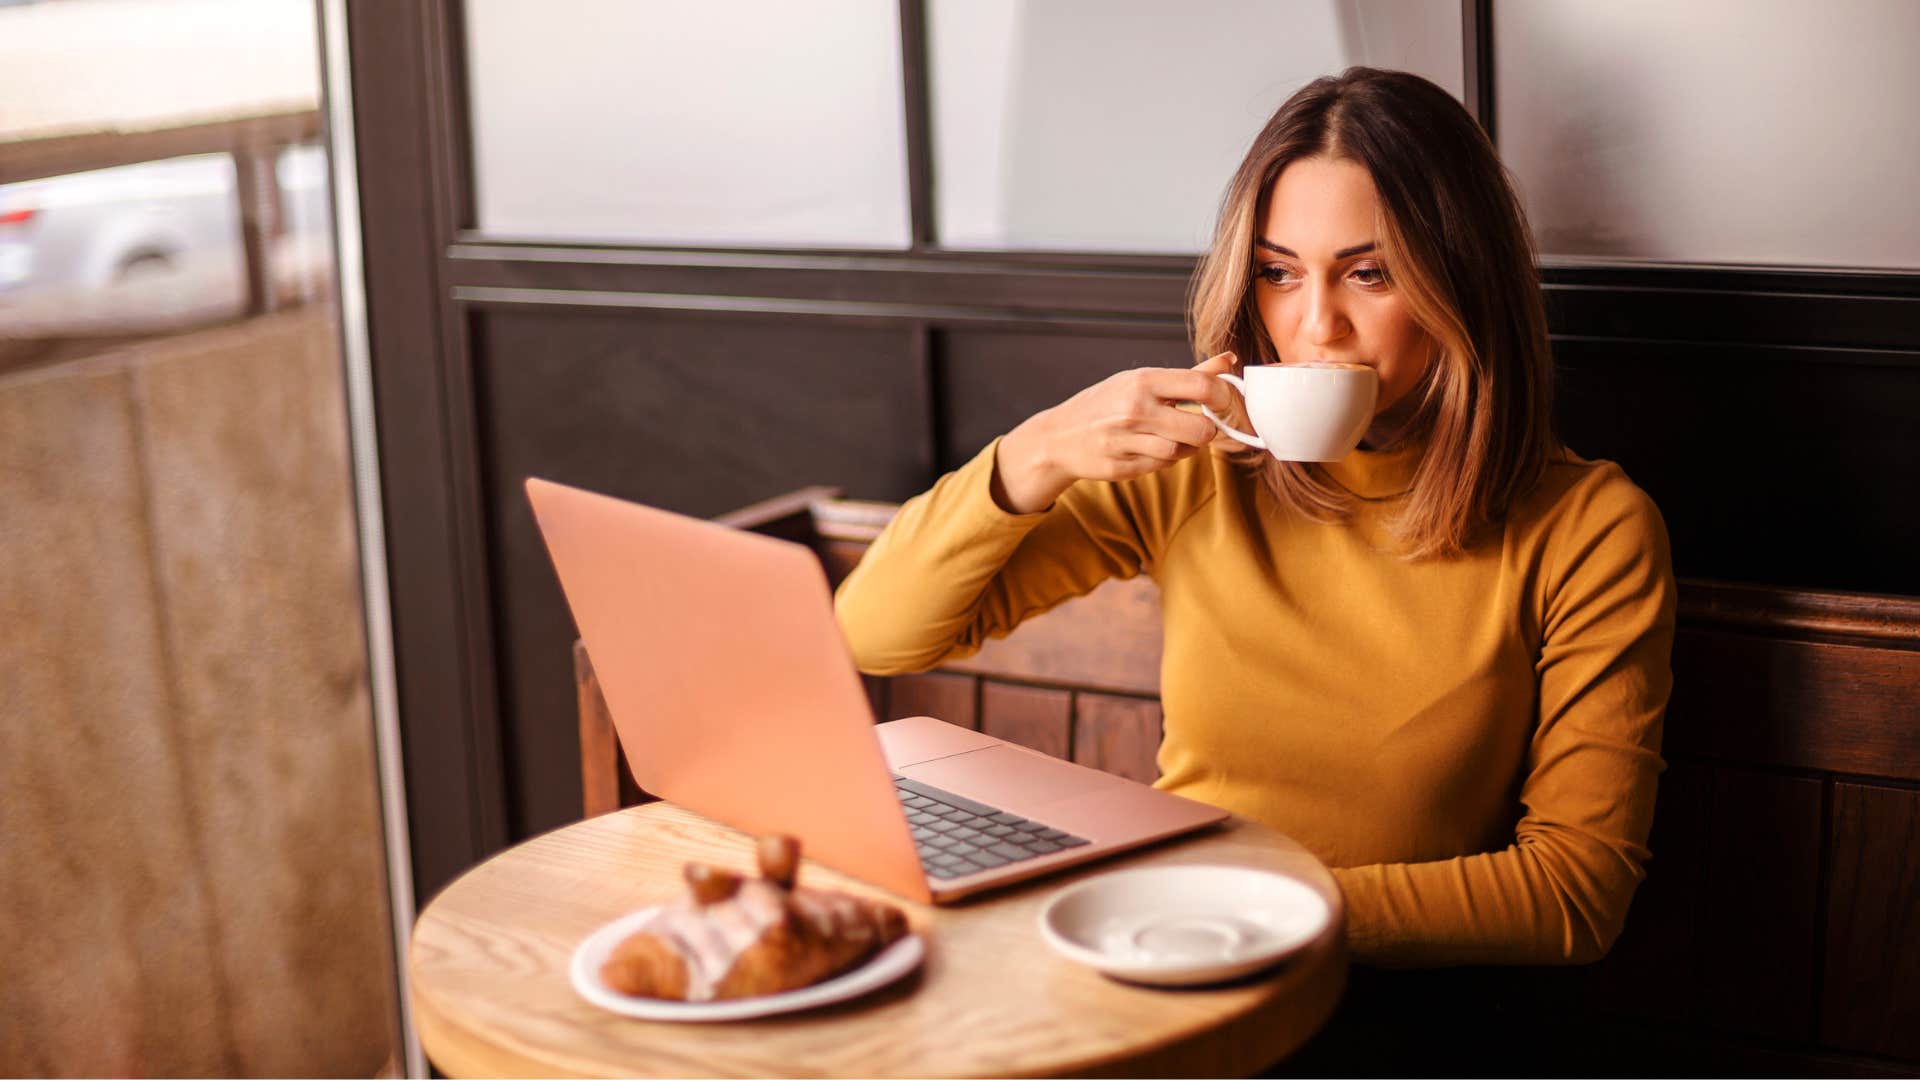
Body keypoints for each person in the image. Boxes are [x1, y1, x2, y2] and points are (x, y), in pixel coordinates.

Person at [834, 67, 1675, 969]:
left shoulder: (1589, 527)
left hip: (1365, 996)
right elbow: (875, 635)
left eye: (1371, 272)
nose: (1317, 325)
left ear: (1461, 284)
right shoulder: (1202, 471)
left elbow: (1575, 894)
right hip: (1165, 955)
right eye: (1279, 272)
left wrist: (1244, 910)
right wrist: (1033, 453)